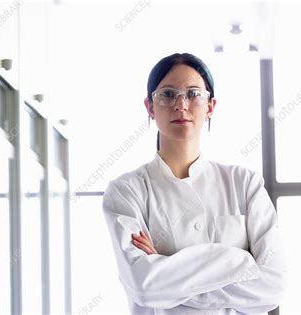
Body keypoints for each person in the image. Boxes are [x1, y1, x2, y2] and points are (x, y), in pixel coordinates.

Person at [102, 53, 287, 314]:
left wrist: (166, 270)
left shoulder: (245, 184)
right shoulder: (126, 191)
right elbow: (144, 286)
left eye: (193, 94)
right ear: (150, 107)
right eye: (167, 94)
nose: (181, 104)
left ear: (210, 106)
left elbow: (272, 287)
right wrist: (240, 261)